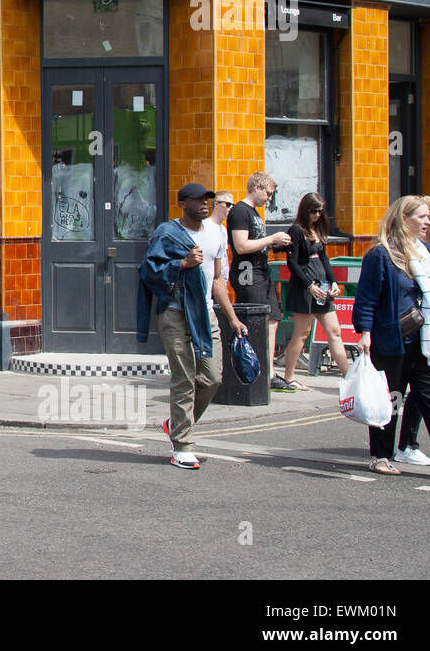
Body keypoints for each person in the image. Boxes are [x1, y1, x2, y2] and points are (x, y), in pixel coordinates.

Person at [138, 182, 247, 470]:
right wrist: (182, 264)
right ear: (183, 203)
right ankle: (183, 446)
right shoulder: (167, 233)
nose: (204, 204)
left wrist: (233, 318)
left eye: (207, 200)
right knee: (184, 378)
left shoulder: (216, 233)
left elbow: (218, 280)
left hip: (206, 314)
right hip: (174, 314)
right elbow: (149, 272)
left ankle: (176, 423)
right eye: (198, 200)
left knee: (212, 378)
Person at [352, 196, 430, 476]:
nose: (428, 222)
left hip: (424, 340)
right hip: (390, 342)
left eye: (429, 217)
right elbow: (366, 299)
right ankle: (381, 456)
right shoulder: (381, 255)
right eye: (422, 217)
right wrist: (365, 333)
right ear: (404, 219)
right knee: (390, 401)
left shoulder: (423, 252)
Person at [393, 196, 430, 467]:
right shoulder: (406, 252)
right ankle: (397, 447)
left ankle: (406, 445)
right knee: (413, 395)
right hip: (413, 337)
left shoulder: (429, 254)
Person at [227, 172, 292, 388]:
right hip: (248, 274)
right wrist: (271, 238)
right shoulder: (239, 211)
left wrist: (275, 244)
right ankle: (250, 369)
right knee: (253, 322)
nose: (269, 199)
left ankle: (269, 373)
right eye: (268, 193)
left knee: (272, 320)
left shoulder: (254, 213)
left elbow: (256, 242)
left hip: (262, 272)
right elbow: (241, 246)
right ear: (257, 187)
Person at [278, 192, 347, 391]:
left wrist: (333, 281)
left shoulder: (316, 230)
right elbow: (293, 263)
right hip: (305, 290)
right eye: (314, 211)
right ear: (305, 210)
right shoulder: (296, 231)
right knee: (302, 333)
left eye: (320, 211)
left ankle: (348, 376)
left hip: (322, 287)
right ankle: (289, 378)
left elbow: (324, 259)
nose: (317, 215)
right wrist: (309, 285)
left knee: (334, 331)